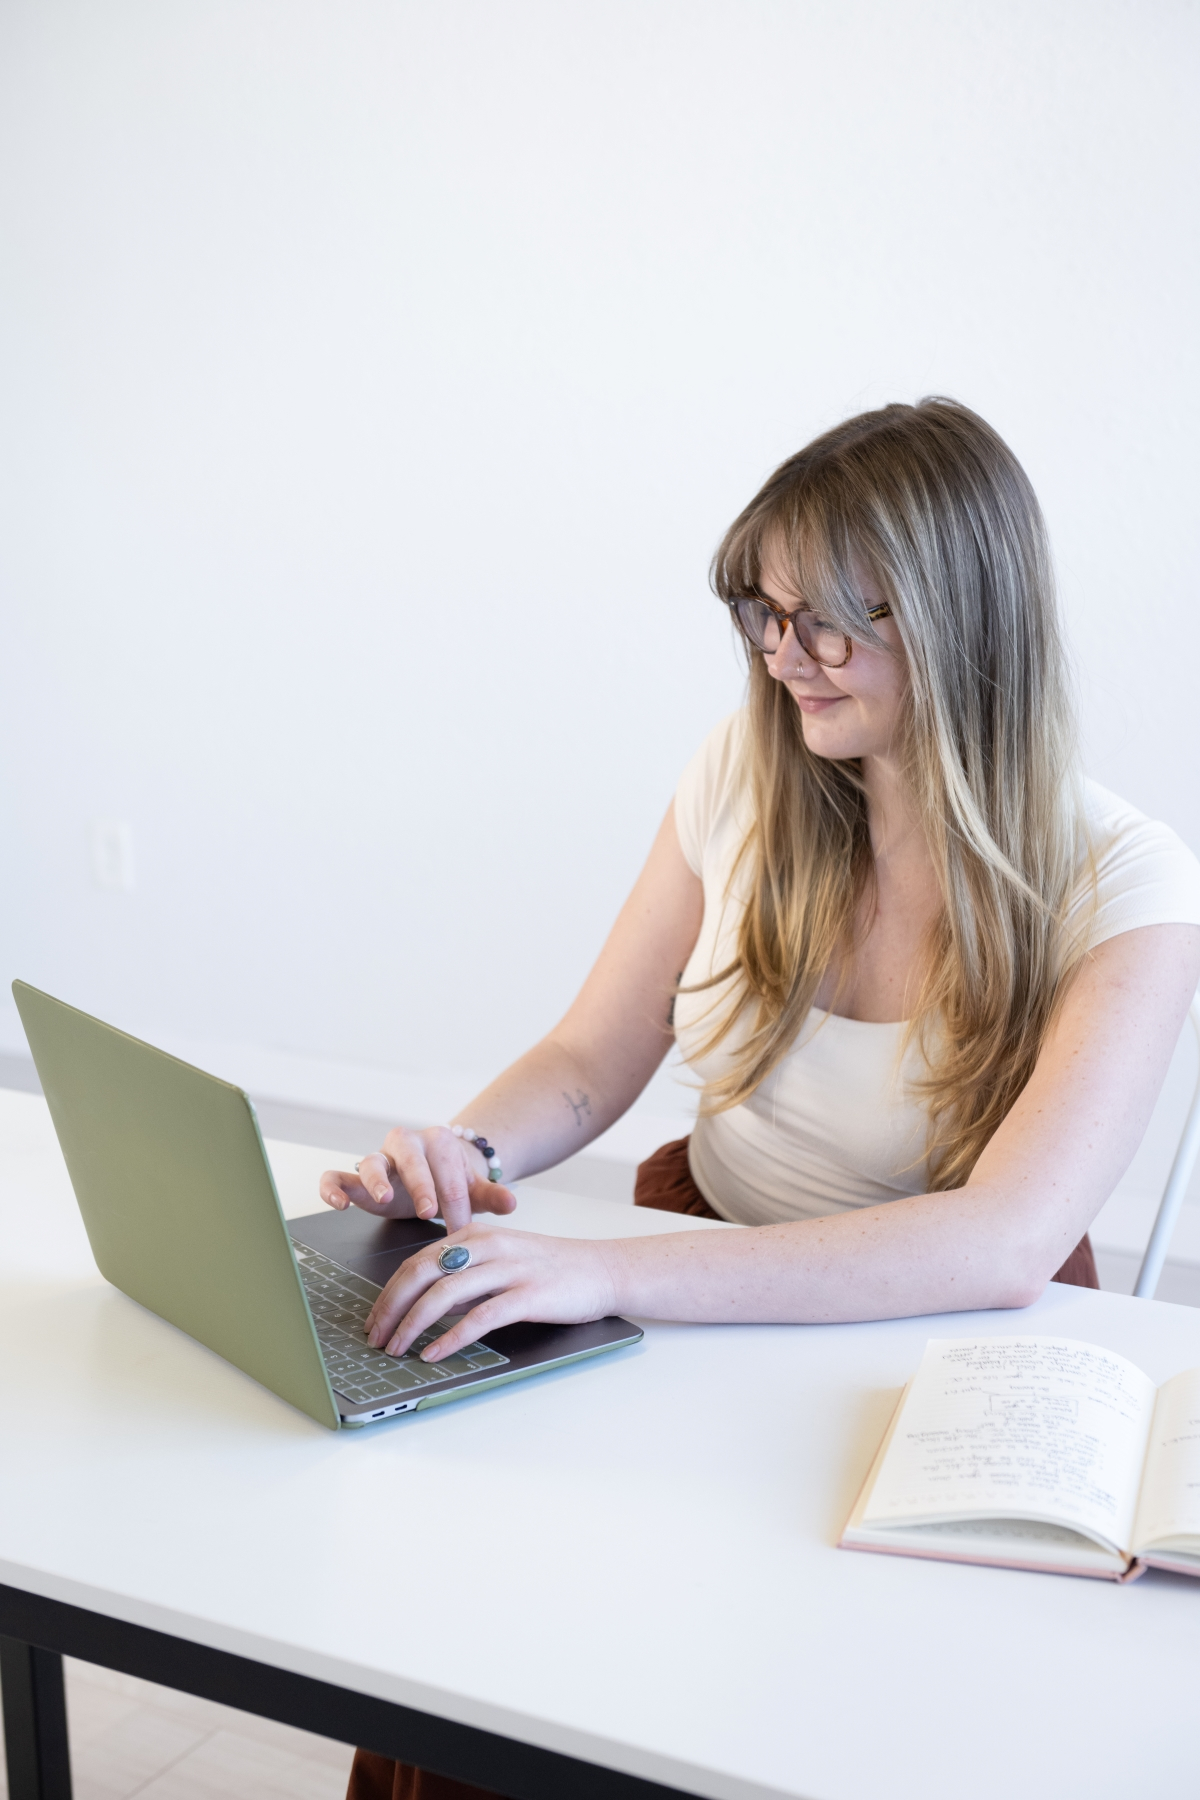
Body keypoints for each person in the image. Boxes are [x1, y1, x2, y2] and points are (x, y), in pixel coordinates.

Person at [324, 399, 1200, 1800]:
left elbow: (1000, 1241)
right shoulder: (747, 773)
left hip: (951, 1339)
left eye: (830, 623)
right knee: (494, 1653)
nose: (786, 657)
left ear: (959, 620)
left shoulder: (1130, 882)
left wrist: (608, 1273)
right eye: (765, 614)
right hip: (706, 1256)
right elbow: (589, 1061)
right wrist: (465, 1149)